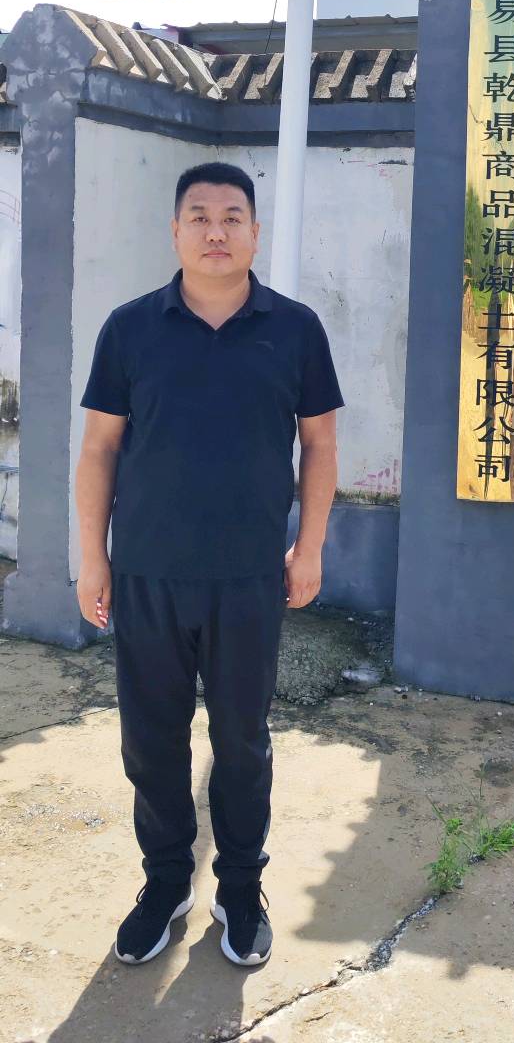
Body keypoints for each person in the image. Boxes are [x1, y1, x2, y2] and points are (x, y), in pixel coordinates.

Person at [75, 162, 344, 968]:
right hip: (147, 574)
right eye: (199, 216)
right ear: (176, 231)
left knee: (242, 742)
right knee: (151, 743)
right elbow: (99, 449)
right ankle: (165, 883)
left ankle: (239, 888)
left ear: (255, 233)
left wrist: (310, 546)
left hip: (248, 577)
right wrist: (93, 558)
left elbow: (320, 444)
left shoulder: (294, 329)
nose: (216, 232)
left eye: (232, 217)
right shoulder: (130, 328)